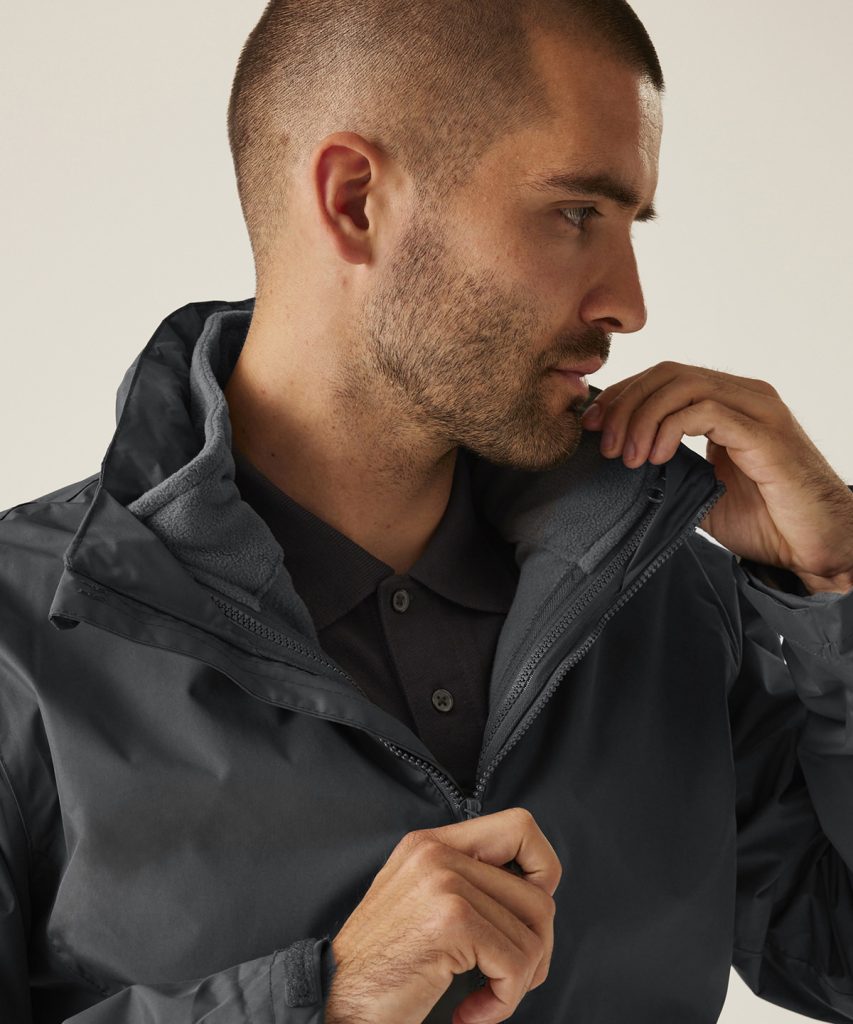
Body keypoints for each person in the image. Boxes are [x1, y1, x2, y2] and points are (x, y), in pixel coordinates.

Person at [3, 1, 853, 1022]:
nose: (629, 304)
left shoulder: (672, 602)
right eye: (576, 213)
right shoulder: (20, 638)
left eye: (628, 227)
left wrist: (837, 585)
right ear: (355, 200)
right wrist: (328, 1002)